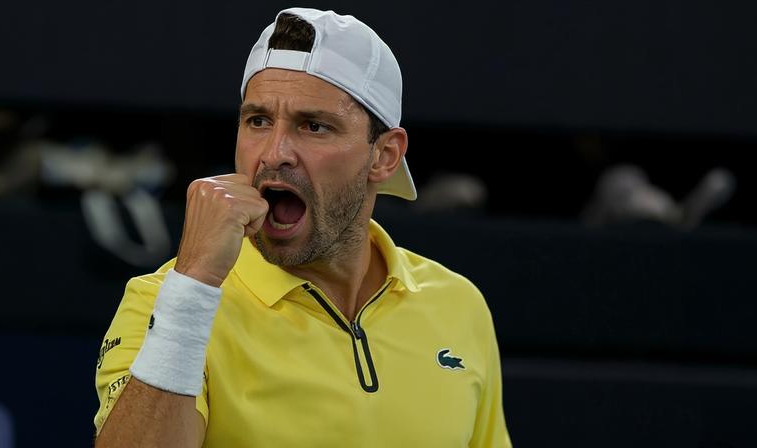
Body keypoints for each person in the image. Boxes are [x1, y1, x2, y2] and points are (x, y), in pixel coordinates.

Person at [94, 7, 512, 447]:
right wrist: (193, 285)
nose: (274, 153)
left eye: (314, 126)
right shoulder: (165, 303)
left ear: (385, 155)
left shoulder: (458, 305)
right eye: (258, 121)